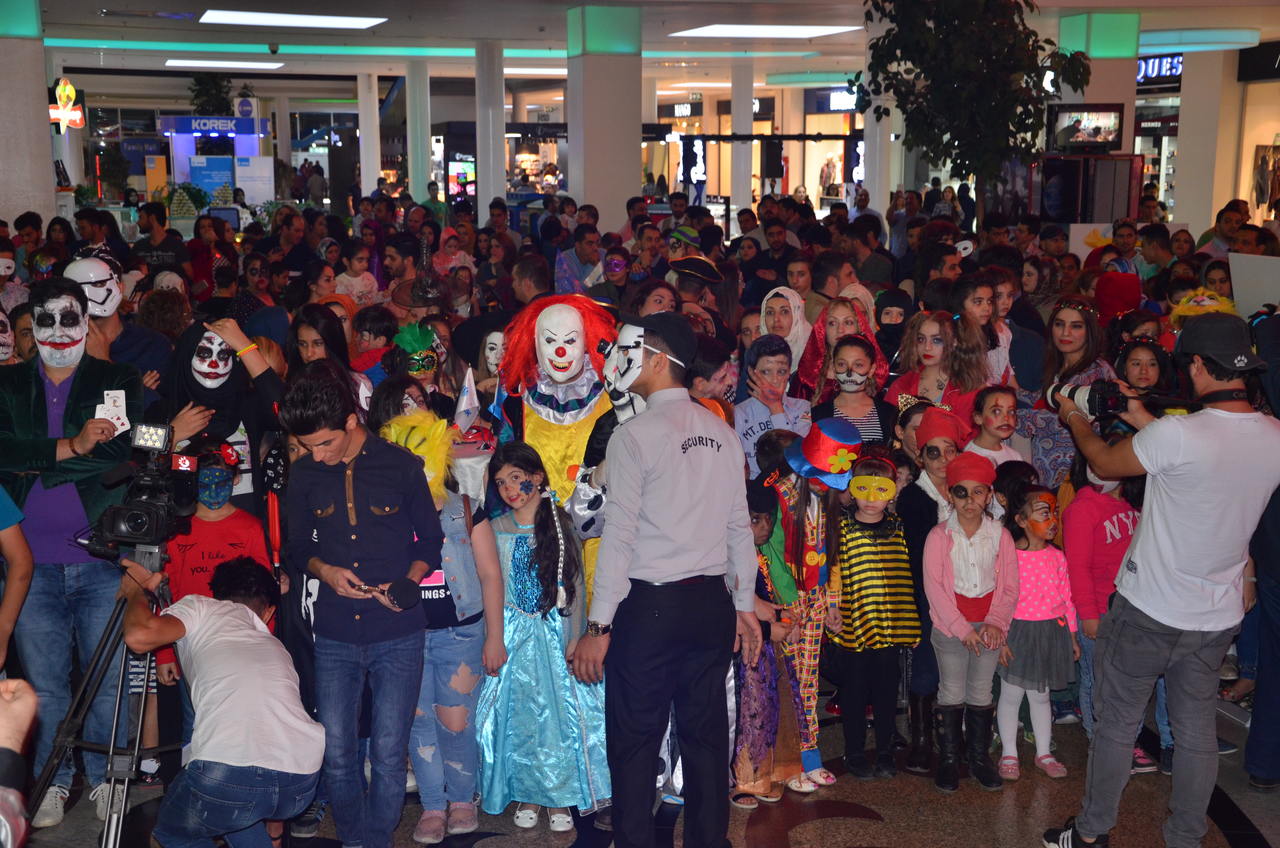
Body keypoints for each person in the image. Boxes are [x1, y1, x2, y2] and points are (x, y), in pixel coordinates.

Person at [1044, 312, 1280, 848]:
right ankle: (1185, 838)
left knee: (1117, 725)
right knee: (1196, 733)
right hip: (1215, 616)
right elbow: (1201, 453)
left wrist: (1073, 414)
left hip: (1148, 609)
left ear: (1197, 365)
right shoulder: (1272, 436)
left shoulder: (1178, 434)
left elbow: (1104, 461)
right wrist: (1136, 410)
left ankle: (1091, 833)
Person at [571, 312, 762, 848]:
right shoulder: (721, 433)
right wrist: (743, 604)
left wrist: (598, 624)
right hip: (709, 605)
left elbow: (620, 538)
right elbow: (738, 529)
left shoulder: (635, 436)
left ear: (658, 361)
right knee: (704, 739)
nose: (626, 361)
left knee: (634, 742)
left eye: (636, 352)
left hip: (650, 610)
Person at [280, 361, 443, 848]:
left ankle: (375, 841)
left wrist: (410, 583)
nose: (317, 455)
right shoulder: (306, 473)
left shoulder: (399, 465)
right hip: (333, 632)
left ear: (351, 421)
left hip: (398, 631)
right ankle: (356, 840)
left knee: (390, 753)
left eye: (324, 442)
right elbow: (292, 548)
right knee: (337, 753)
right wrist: (324, 570)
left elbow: (429, 543)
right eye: (308, 447)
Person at [0, 278, 142, 828]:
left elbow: (121, 456)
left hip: (102, 558)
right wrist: (74, 445)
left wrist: (49, 460)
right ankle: (55, 782)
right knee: (47, 683)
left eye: (70, 318)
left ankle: (111, 780)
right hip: (26, 565)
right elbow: (2, 453)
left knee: (108, 680)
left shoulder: (117, 378)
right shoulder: (7, 384)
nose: (59, 332)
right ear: (31, 326)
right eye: (46, 320)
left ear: (88, 321)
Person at [120, 557, 324, 848]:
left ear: (216, 594)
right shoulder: (276, 646)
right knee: (236, 812)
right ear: (268, 612)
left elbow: (139, 637)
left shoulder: (201, 606)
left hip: (228, 772)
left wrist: (137, 592)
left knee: (168, 834)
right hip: (301, 782)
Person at [475, 442, 610, 832]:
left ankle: (560, 796)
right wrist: (493, 637)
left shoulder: (561, 527)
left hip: (555, 636)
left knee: (558, 718)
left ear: (537, 478)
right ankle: (528, 791)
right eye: (500, 483)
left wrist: (575, 635)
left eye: (517, 478)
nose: (509, 489)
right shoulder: (495, 529)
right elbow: (493, 585)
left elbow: (577, 585)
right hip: (513, 637)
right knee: (520, 719)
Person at [923, 452, 1018, 793]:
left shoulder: (999, 535)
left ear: (989, 494)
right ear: (950, 494)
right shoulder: (939, 536)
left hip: (989, 628)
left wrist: (994, 623)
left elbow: (1009, 586)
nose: (970, 500)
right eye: (961, 492)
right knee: (952, 690)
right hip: (950, 628)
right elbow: (934, 588)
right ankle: (949, 758)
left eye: (978, 492)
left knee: (980, 691)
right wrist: (963, 629)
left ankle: (978, 758)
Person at [830, 451, 921, 779]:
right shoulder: (841, 526)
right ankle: (854, 752)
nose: (870, 499)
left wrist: (910, 622)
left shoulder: (898, 528)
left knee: (885, 692)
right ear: (852, 488)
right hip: (854, 625)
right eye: (863, 489)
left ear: (893, 490)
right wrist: (832, 606)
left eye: (880, 490)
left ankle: (884, 750)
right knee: (854, 692)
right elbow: (835, 570)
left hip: (891, 626)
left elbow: (906, 577)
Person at [995, 484, 1078, 781]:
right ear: (1020, 520)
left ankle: (1043, 752)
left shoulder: (1057, 556)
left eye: (1054, 512)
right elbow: (1001, 600)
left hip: (1050, 632)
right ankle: (1009, 753)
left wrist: (1071, 635)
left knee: (1041, 696)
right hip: (1018, 632)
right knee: (1011, 694)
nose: (1053, 520)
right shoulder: (1010, 558)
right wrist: (1001, 637)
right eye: (1044, 513)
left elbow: (1066, 597)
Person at [735, 334, 812, 477]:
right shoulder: (738, 413)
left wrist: (776, 407)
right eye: (766, 372)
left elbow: (796, 458)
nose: (774, 380)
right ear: (752, 373)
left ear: (789, 372)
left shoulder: (802, 408)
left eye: (781, 371)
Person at [965, 385, 1025, 467]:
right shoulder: (969, 458)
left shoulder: (1015, 456)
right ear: (978, 418)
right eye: (996, 411)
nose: (1006, 418)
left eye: (1011, 412)